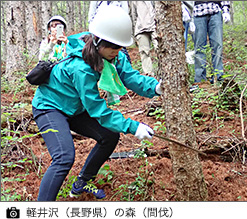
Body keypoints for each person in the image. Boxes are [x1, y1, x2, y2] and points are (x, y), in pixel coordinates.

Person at [31, 5, 162, 201]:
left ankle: (82, 181)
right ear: (99, 42)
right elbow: (98, 110)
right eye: (113, 48)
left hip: (75, 107)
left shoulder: (112, 53)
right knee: (64, 157)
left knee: (109, 136)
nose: (117, 52)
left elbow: (130, 76)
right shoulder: (80, 67)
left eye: (120, 47)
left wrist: (156, 88)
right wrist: (133, 127)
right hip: (50, 107)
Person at [193, 1, 231, 84]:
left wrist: (225, 9)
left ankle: (218, 77)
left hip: (215, 11)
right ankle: (200, 80)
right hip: (197, 12)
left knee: (217, 46)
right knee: (199, 48)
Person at [131, 1, 158, 77]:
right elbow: (133, 15)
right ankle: (149, 76)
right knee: (144, 53)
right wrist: (134, 35)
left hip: (155, 27)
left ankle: (164, 74)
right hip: (141, 28)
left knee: (160, 49)